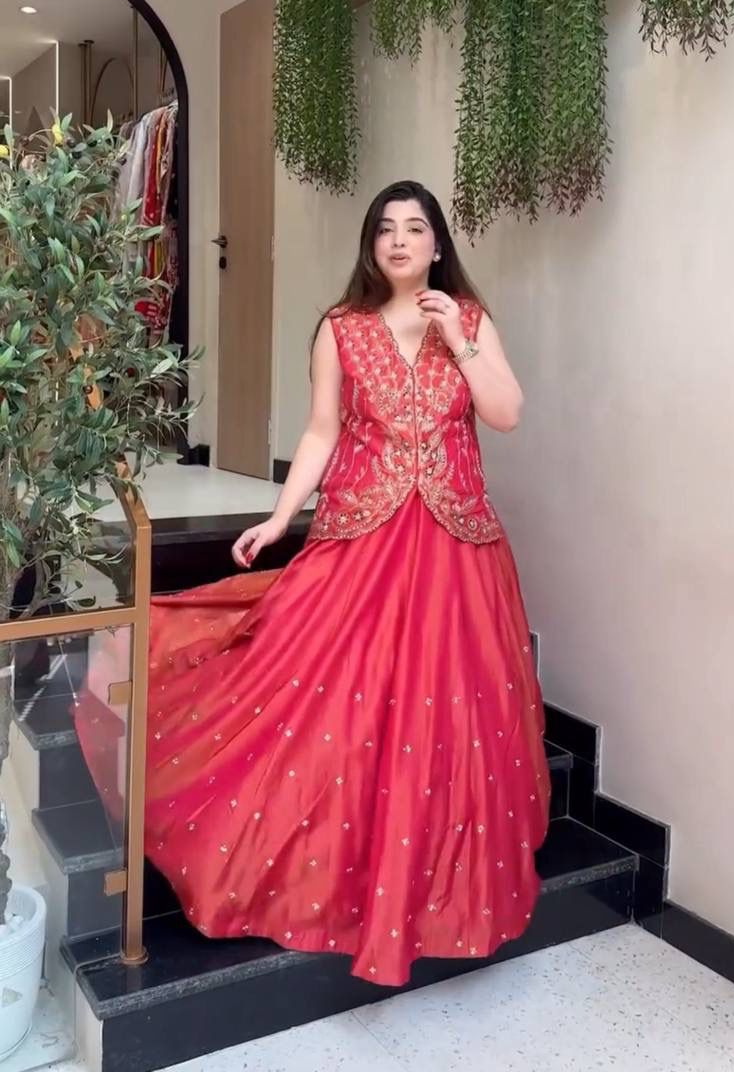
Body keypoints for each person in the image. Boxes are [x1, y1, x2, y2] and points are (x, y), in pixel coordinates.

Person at [83, 180, 550, 987]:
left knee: (451, 713)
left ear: (437, 244)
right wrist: (278, 517)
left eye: (415, 228)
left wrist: (459, 339)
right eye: (385, 229)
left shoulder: (469, 320)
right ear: (370, 245)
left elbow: (505, 414)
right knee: (324, 692)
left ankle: (435, 887)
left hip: (457, 547)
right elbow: (321, 431)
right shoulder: (341, 327)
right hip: (363, 536)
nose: (399, 241)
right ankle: (320, 870)